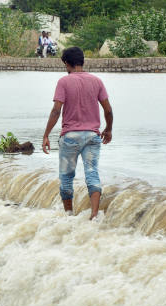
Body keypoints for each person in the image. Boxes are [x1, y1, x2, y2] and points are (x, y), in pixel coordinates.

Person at [42, 47, 113, 220]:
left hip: (70, 137)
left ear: (67, 63)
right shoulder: (97, 81)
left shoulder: (64, 82)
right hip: (92, 136)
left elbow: (56, 111)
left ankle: (69, 215)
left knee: (66, 177)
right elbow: (108, 110)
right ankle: (94, 216)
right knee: (92, 173)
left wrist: (46, 135)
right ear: (82, 61)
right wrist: (108, 129)